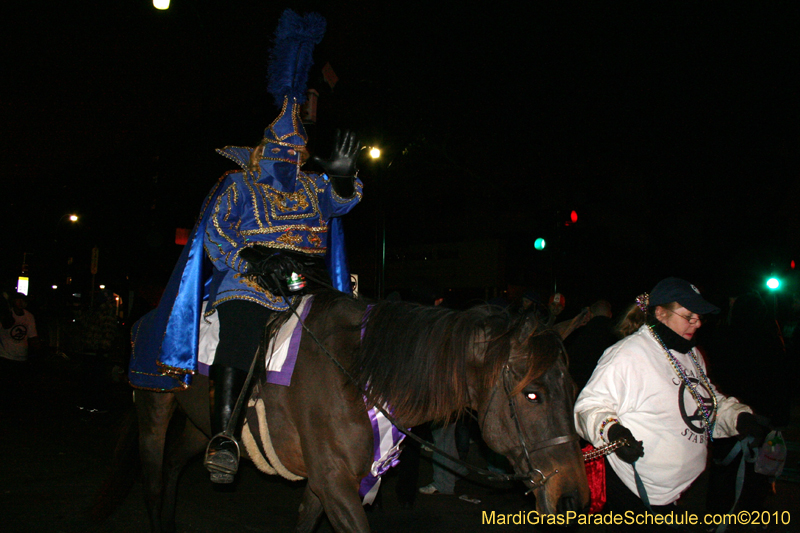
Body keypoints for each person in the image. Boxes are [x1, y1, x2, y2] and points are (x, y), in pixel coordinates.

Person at [128, 10, 362, 485]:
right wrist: (254, 259)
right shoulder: (239, 185)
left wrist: (339, 177)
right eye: (283, 152)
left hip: (306, 281)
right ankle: (225, 436)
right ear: (263, 151)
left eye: (298, 153)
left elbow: (340, 206)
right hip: (250, 280)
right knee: (240, 326)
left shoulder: (313, 187)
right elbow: (214, 234)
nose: (291, 159)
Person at [574, 278, 765, 527]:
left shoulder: (691, 353)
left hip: (689, 492)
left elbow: (704, 402)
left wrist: (738, 417)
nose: (696, 323)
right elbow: (589, 406)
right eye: (688, 316)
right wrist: (613, 432)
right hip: (641, 496)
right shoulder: (629, 354)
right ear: (660, 313)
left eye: (699, 316)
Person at [564, 299, 617, 392]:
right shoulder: (618, 337)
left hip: (579, 390)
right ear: (610, 314)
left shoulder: (578, 334)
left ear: (590, 314)